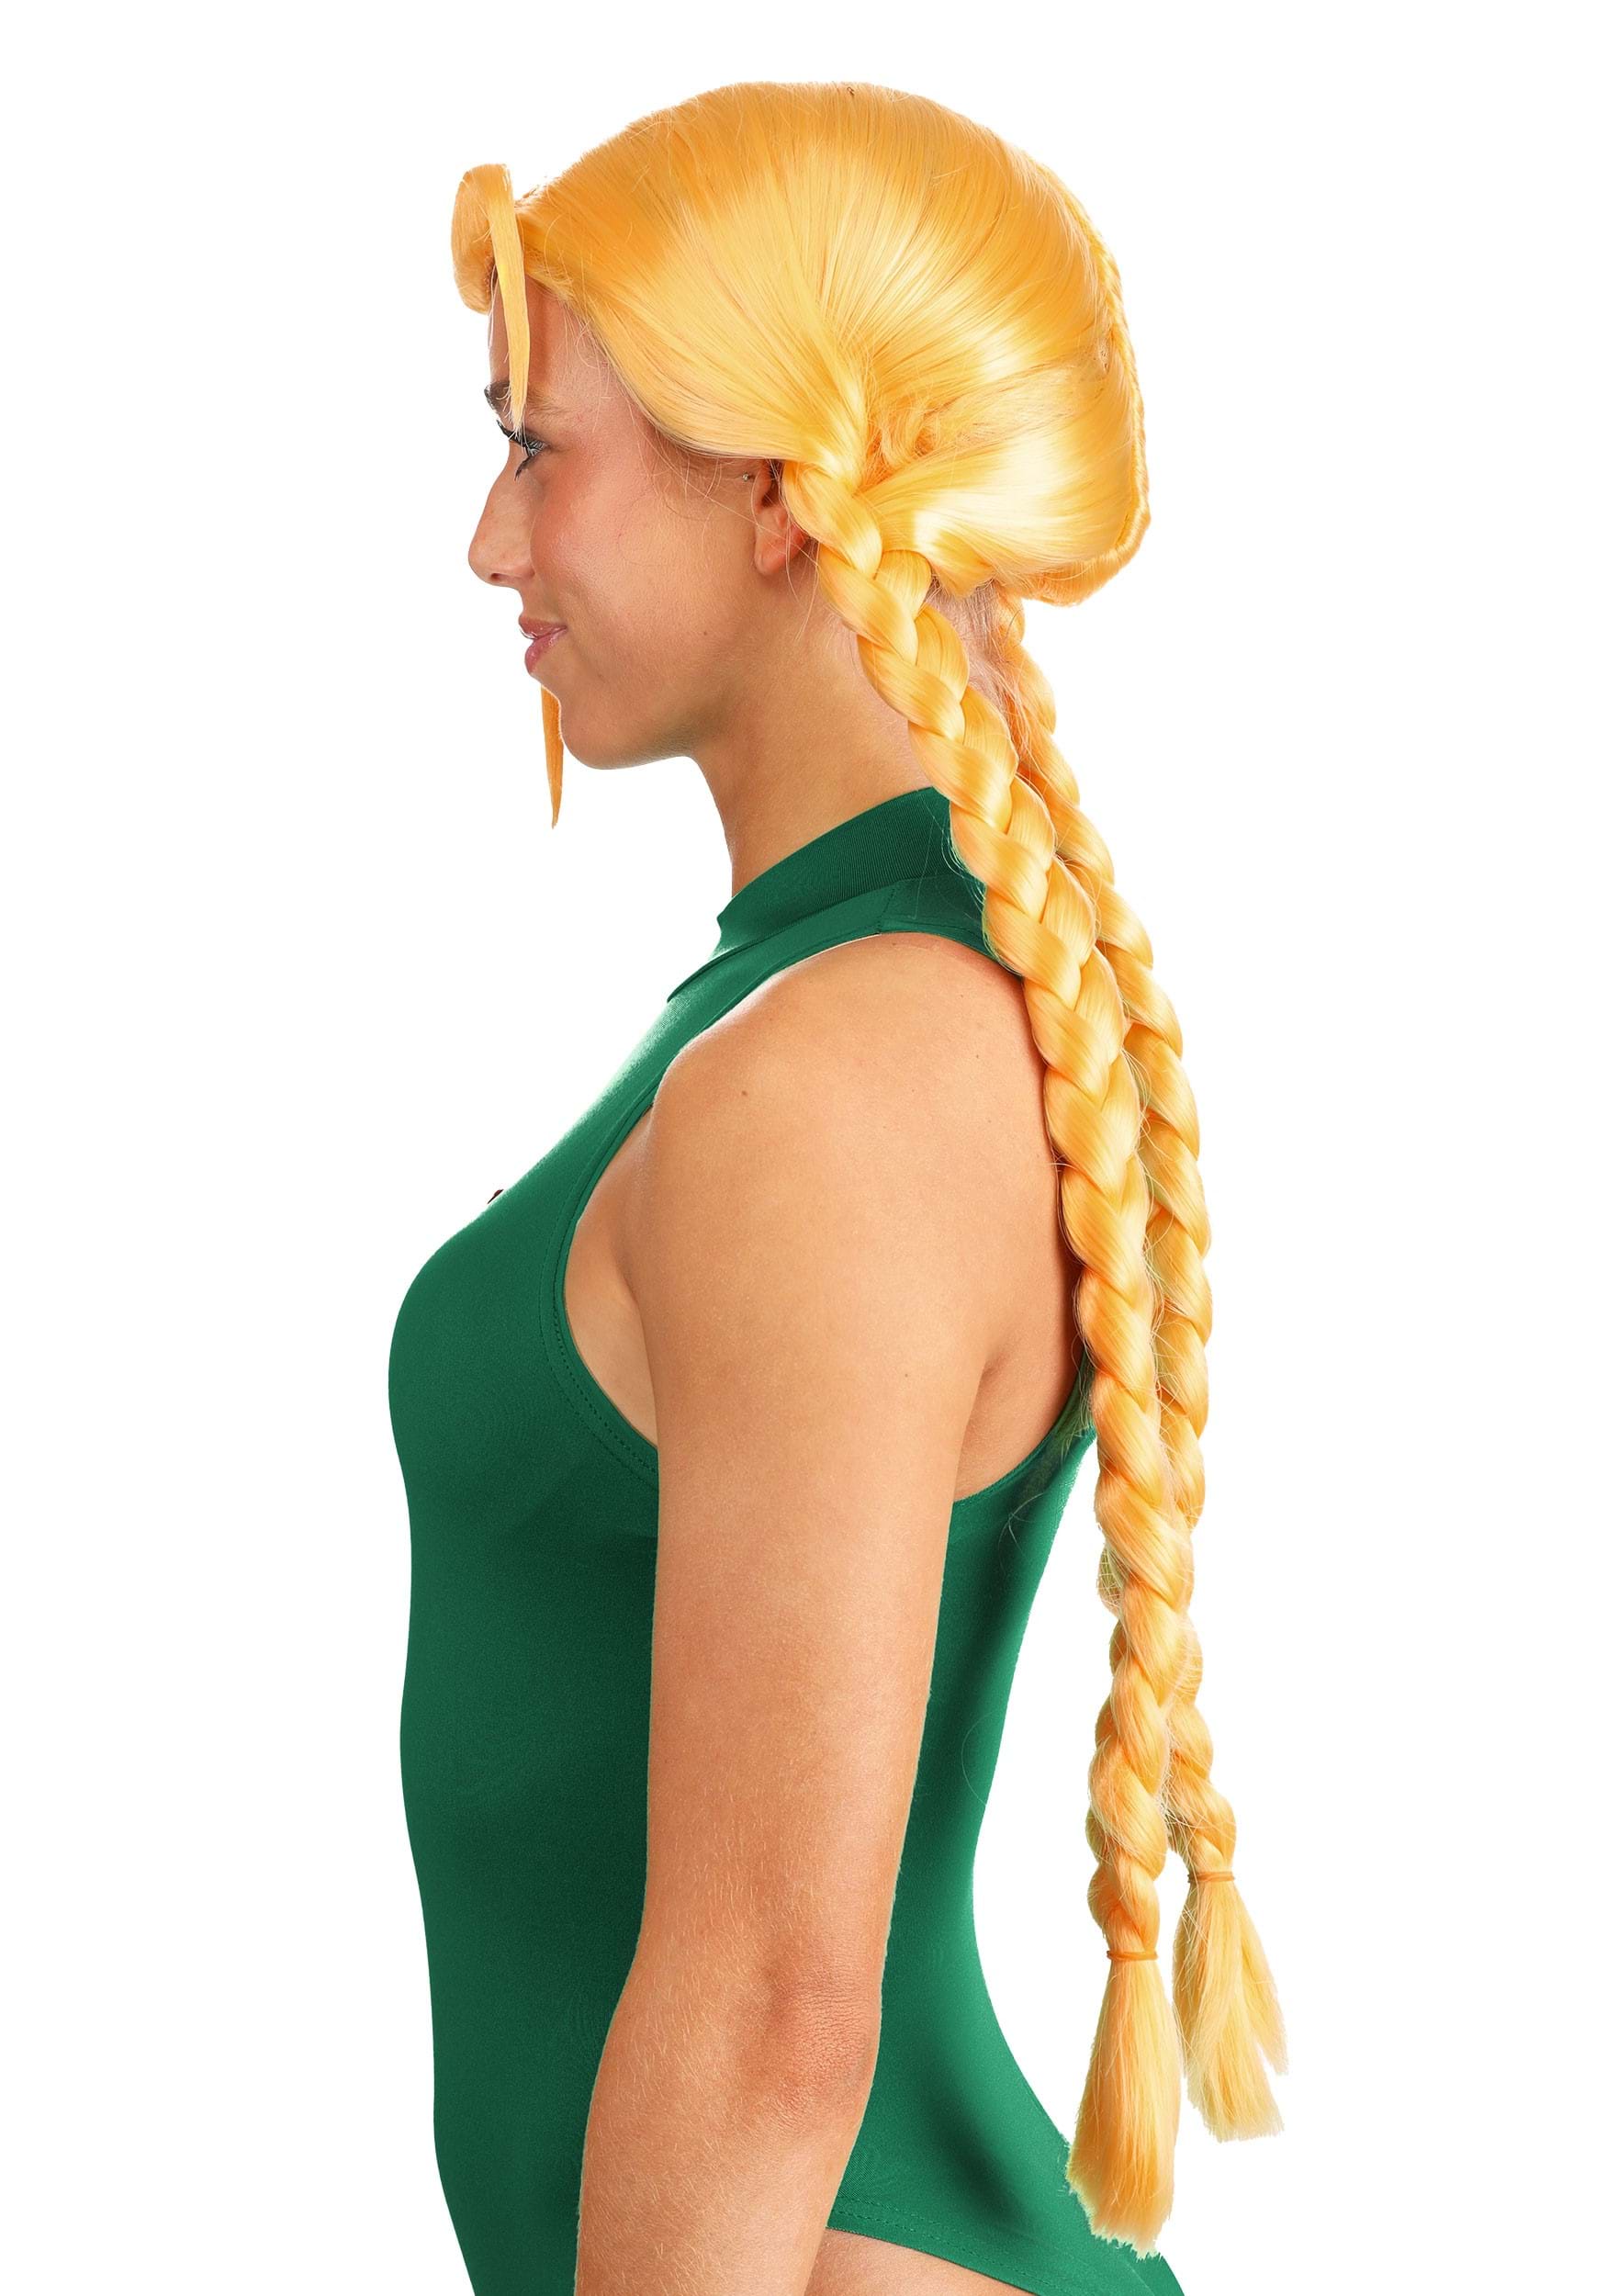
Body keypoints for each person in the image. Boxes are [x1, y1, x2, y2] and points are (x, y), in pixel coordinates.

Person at [390, 80, 1286, 2296]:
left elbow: (774, 2016)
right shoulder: (821, 1005)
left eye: (536, 449)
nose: (492, 545)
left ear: (783, 490)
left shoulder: (840, 1074)